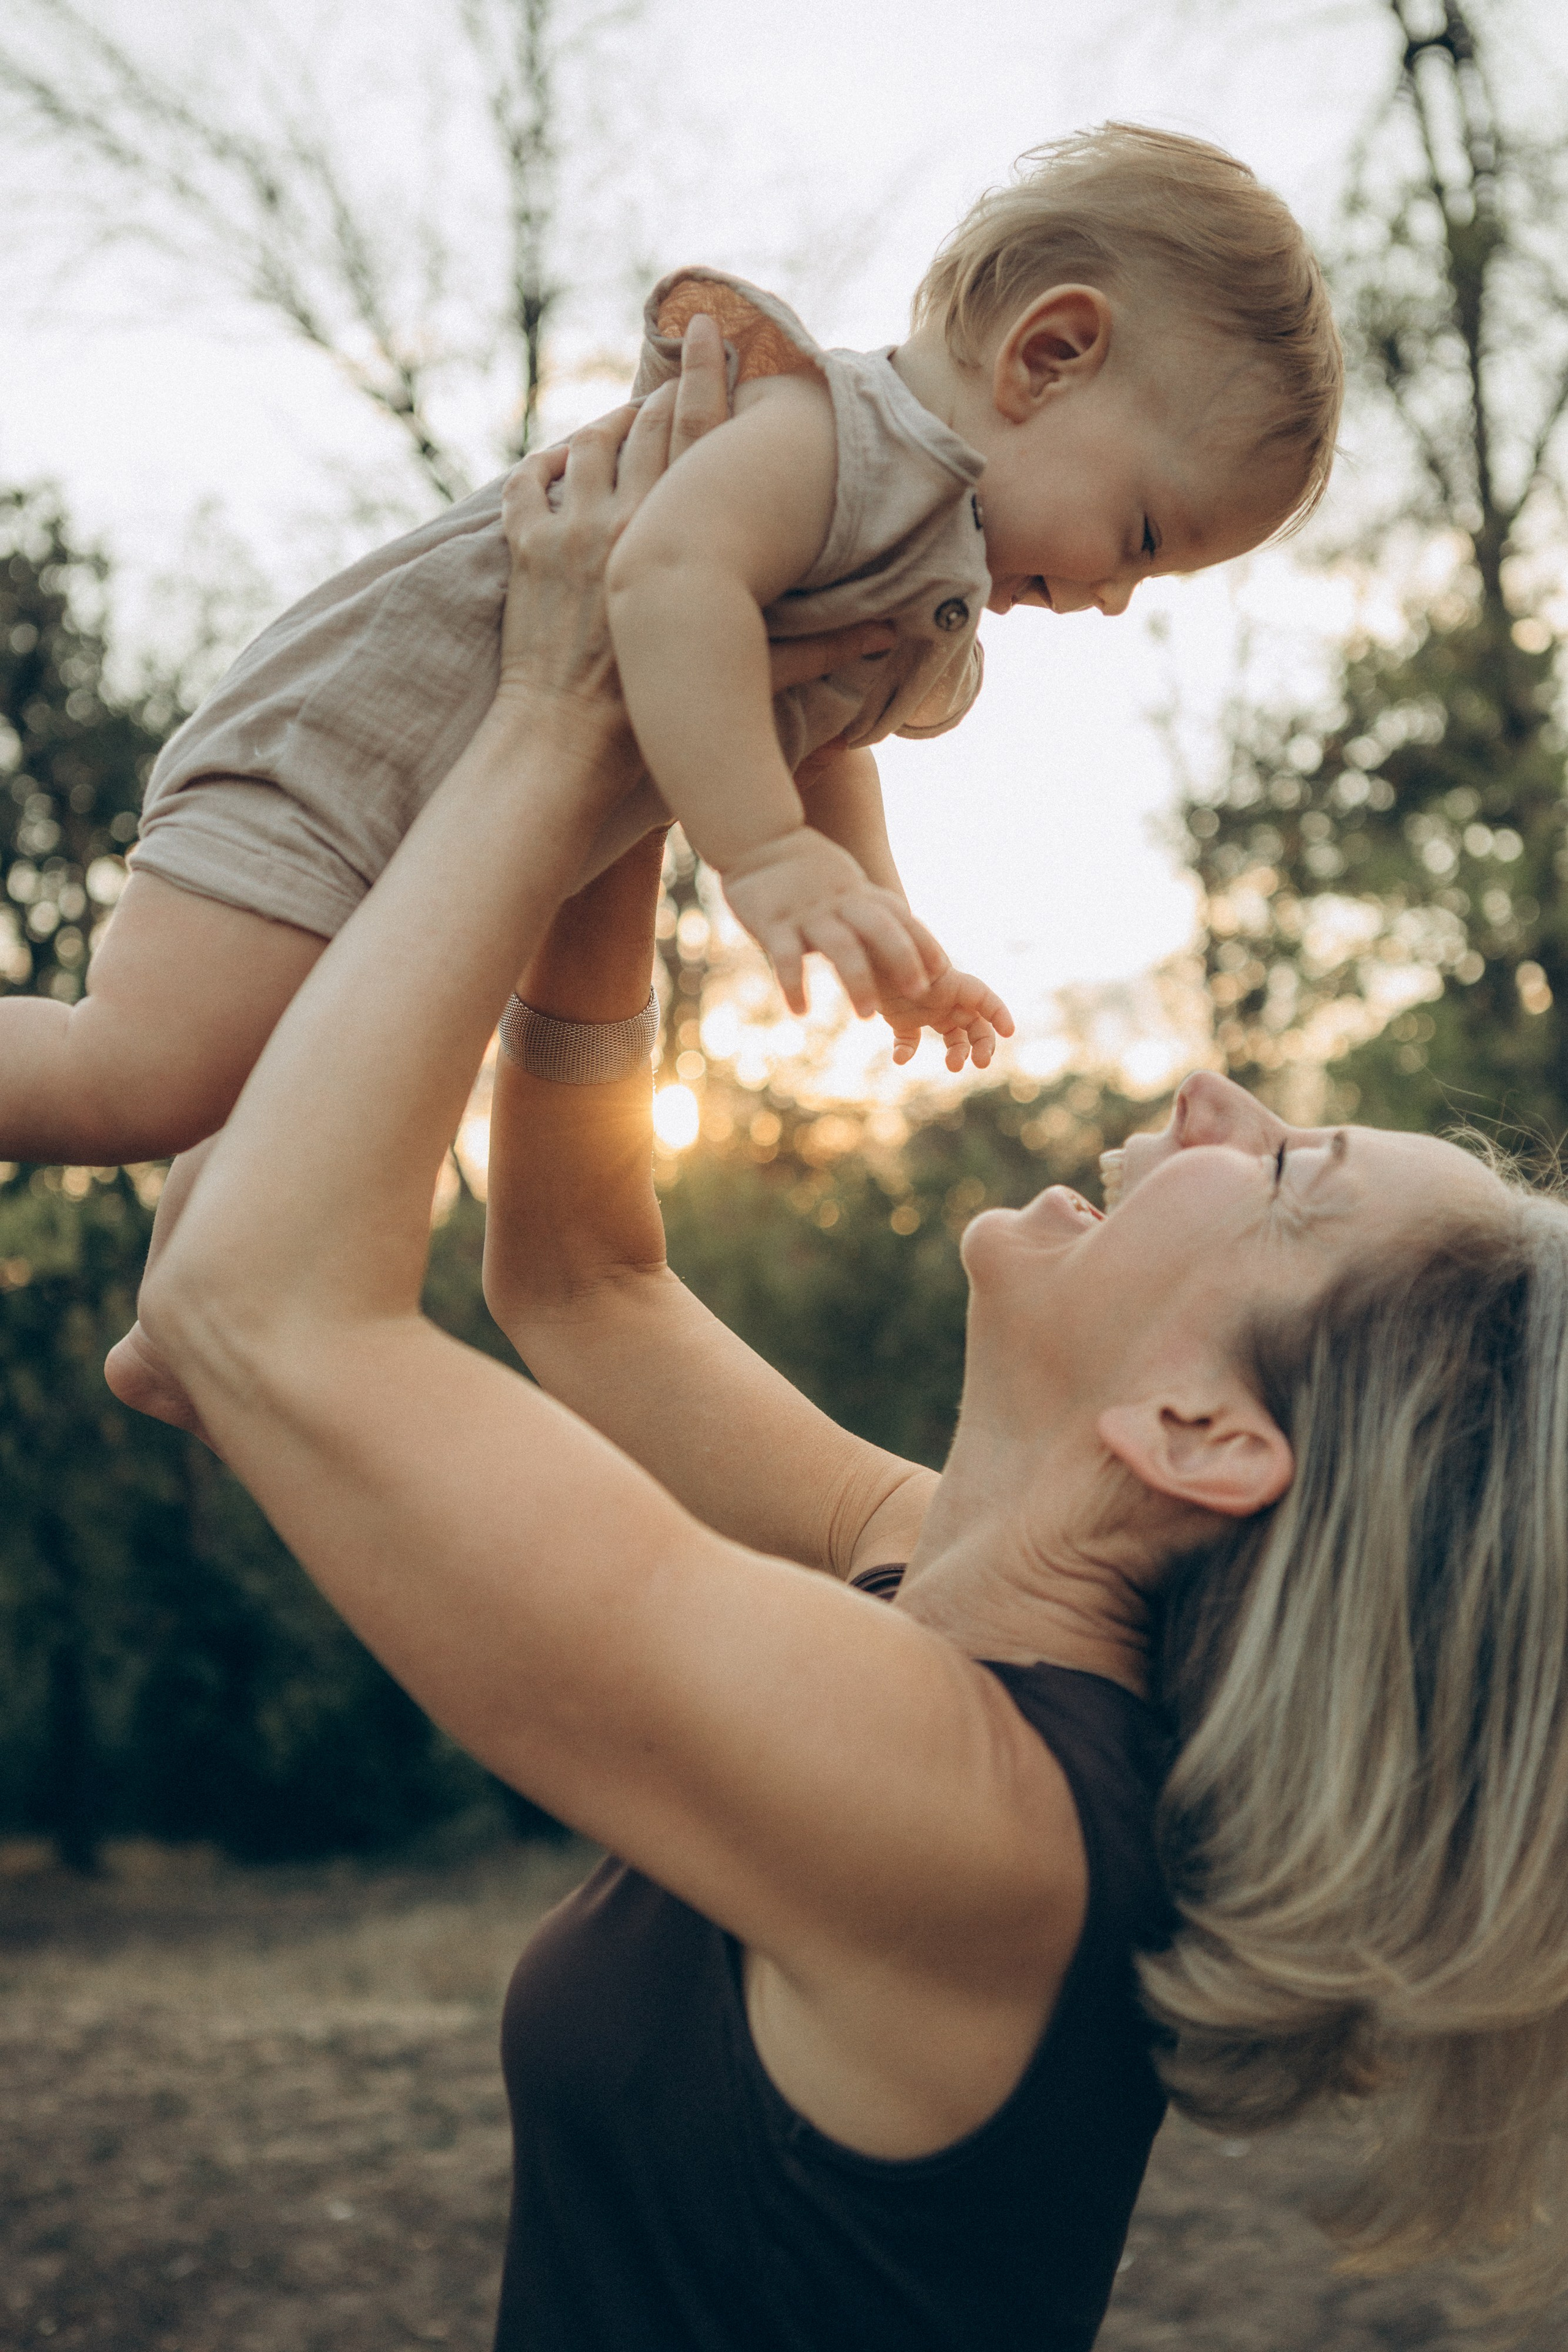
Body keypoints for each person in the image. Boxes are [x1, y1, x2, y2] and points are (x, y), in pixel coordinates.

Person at [129, 345, 1568, 2347]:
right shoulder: (968, 1613)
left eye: (1295, 1172)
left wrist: (548, 719)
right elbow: (582, 1283)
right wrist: (645, 757)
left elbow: (258, 1311)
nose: (1223, 1099)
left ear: (1203, 1433)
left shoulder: (961, 1813)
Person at [1, 122, 1341, 1168]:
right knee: (140, 1074)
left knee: (303, 1094)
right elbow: (664, 577)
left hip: (437, 844)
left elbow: (820, 740)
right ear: (1046, 355)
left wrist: (871, 909)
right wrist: (764, 856)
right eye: (1148, 533)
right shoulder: (829, 433)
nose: (1114, 595)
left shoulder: (918, 570)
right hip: (340, 766)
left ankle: (190, 1312)